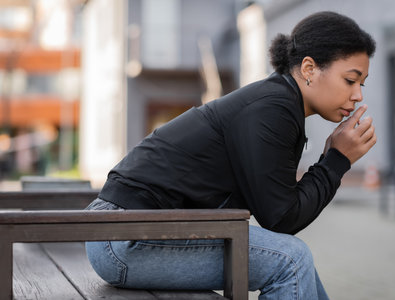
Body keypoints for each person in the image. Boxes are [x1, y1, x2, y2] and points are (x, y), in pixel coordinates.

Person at [85, 11, 376, 300]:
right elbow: (283, 219)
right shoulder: (272, 109)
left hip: (130, 231)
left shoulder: (278, 103)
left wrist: (334, 159)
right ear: (309, 69)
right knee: (290, 259)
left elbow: (282, 213)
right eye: (350, 80)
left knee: (297, 262)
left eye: (360, 84)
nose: (358, 95)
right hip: (124, 237)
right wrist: (337, 160)